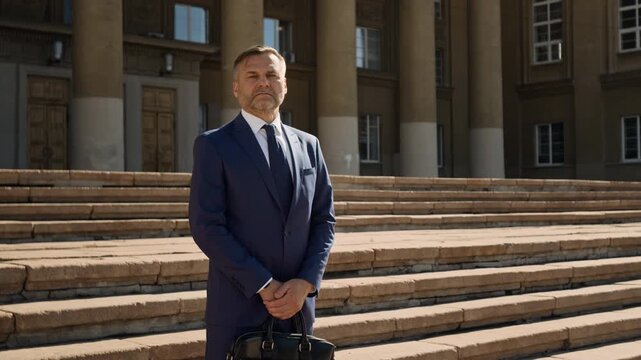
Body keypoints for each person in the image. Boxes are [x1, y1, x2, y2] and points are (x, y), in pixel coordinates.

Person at [188, 45, 336, 359]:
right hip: (238, 305)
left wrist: (305, 283)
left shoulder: (309, 145)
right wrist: (264, 284)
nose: (263, 83)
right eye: (252, 76)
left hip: (296, 308)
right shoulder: (213, 145)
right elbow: (207, 226)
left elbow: (325, 221)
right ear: (236, 87)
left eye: (271, 75)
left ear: (285, 84)